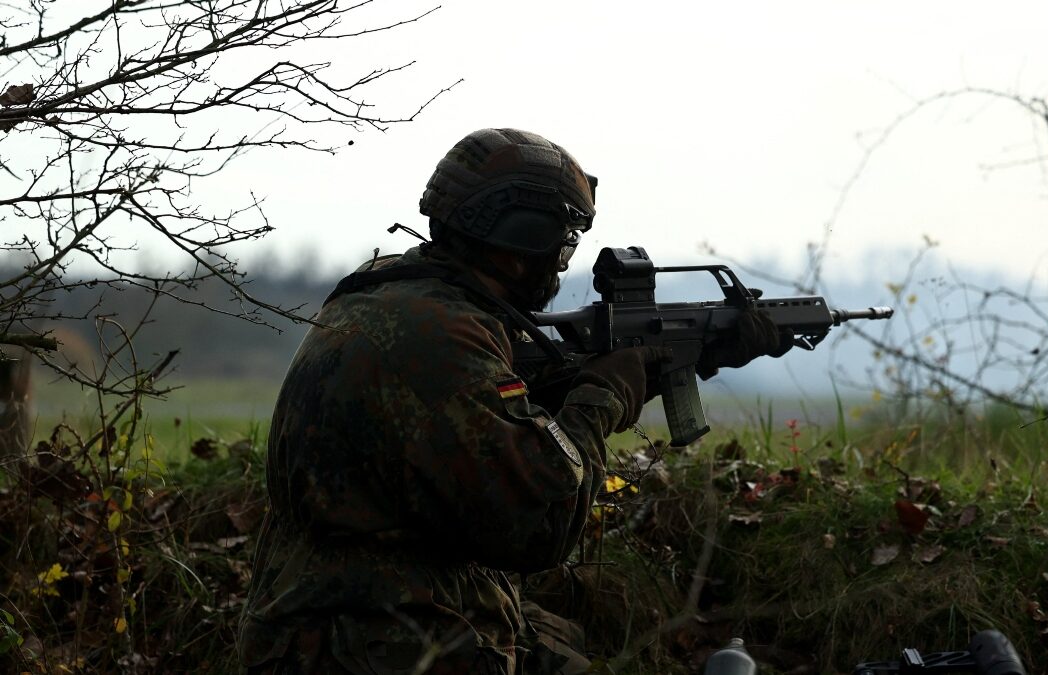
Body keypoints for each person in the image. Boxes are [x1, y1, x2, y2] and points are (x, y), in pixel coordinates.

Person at [238, 128, 792, 674]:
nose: (562, 259)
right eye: (563, 237)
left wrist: (691, 355)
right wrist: (602, 397)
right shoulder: (441, 337)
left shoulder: (400, 295)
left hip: (343, 618)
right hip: (373, 640)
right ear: (525, 236)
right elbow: (538, 526)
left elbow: (488, 418)